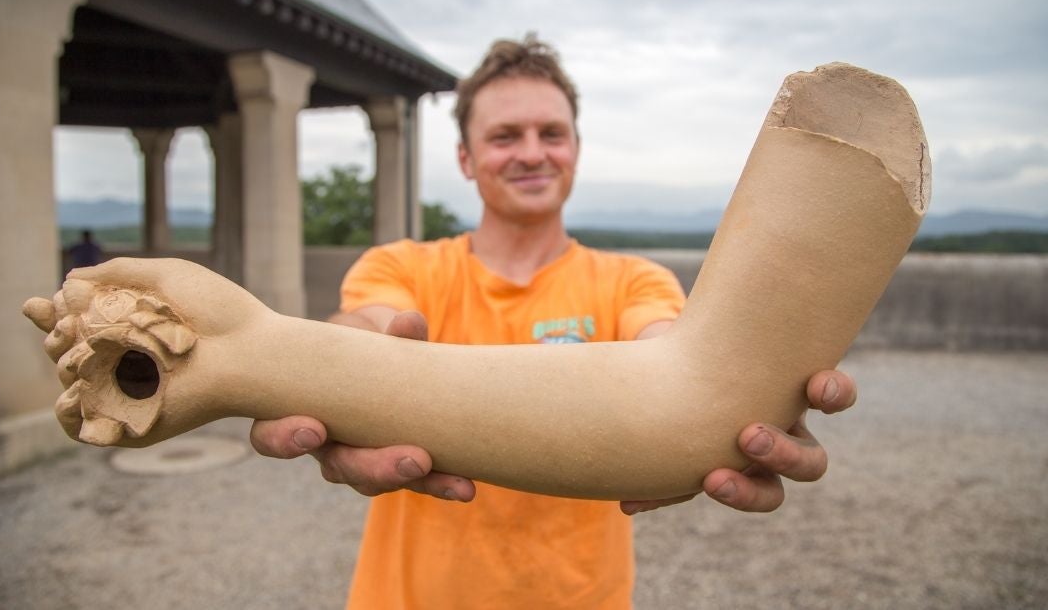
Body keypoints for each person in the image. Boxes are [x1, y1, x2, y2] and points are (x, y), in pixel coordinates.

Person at [250, 35, 856, 608]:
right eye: (505, 136)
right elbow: (362, 324)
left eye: (551, 134)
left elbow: (669, 348)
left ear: (576, 149)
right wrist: (328, 369)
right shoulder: (403, 267)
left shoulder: (632, 281)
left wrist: (746, 396)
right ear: (465, 158)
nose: (532, 153)